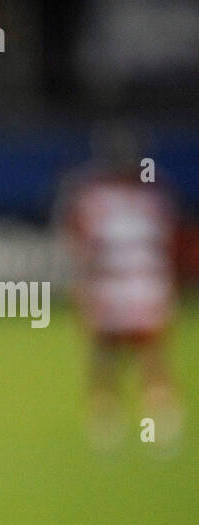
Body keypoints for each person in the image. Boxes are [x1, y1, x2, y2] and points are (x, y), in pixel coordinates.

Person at [56, 125, 183, 450]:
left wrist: (83, 288)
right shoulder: (155, 193)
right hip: (144, 283)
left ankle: (109, 428)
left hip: (115, 283)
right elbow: (170, 244)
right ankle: (157, 428)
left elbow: (81, 245)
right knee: (147, 356)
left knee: (111, 357)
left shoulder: (92, 196)